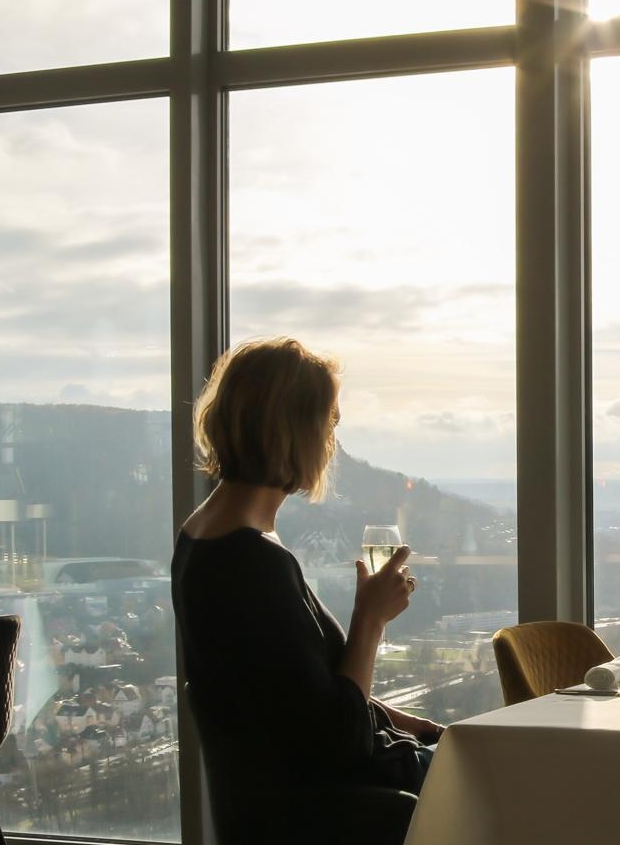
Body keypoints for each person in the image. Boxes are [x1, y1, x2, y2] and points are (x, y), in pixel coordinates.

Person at [172, 336, 442, 838]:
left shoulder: (202, 538)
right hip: (331, 805)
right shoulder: (251, 563)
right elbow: (336, 740)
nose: (331, 442)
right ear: (297, 433)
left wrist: (411, 725)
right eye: (330, 423)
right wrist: (370, 621)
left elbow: (292, 695)